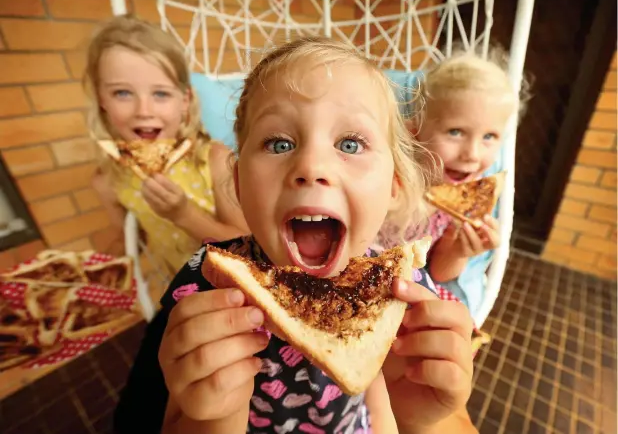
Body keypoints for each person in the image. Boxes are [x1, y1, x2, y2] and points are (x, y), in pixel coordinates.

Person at [114, 37, 478, 434]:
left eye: (350, 143)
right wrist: (214, 416)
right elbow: (173, 420)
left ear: (393, 185)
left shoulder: (403, 290)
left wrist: (425, 421)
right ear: (238, 184)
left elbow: (402, 407)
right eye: (279, 143)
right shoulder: (207, 282)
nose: (311, 165)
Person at [86, 15, 248, 277]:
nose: (144, 110)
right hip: (180, 288)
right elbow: (129, 245)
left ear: (184, 101)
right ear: (101, 100)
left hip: (240, 286)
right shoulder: (108, 180)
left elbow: (246, 248)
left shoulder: (214, 159)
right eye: (122, 93)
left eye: (160, 94)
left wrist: (183, 215)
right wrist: (98, 269)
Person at [376, 47, 526, 314]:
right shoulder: (391, 173)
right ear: (415, 130)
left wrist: (462, 250)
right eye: (455, 132)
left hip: (408, 289)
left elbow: (440, 273)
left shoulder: (463, 203)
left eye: (489, 137)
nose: (472, 154)